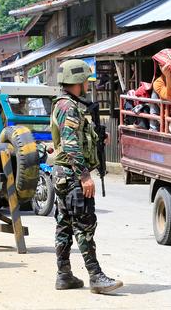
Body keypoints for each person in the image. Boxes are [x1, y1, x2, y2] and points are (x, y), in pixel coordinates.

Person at [51, 59, 123, 294]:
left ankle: (64, 276)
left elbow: (79, 138)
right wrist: (84, 176)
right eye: (85, 82)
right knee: (84, 225)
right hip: (72, 176)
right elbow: (71, 144)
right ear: (77, 81)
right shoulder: (68, 107)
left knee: (64, 225)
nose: (87, 86)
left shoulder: (71, 105)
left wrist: (98, 139)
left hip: (63, 174)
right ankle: (96, 277)